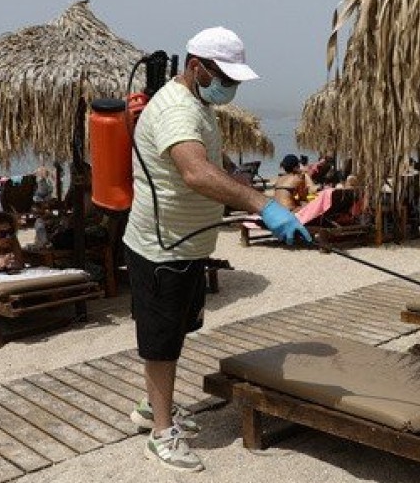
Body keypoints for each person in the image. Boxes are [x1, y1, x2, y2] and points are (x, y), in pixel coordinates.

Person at [121, 26, 309, 472]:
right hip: (162, 246)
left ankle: (154, 406)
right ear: (196, 67)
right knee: (160, 343)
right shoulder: (174, 108)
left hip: (188, 245)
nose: (233, 87)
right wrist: (264, 206)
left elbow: (212, 162)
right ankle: (160, 433)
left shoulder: (200, 105)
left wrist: (241, 182)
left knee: (177, 331)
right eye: (227, 77)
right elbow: (194, 172)